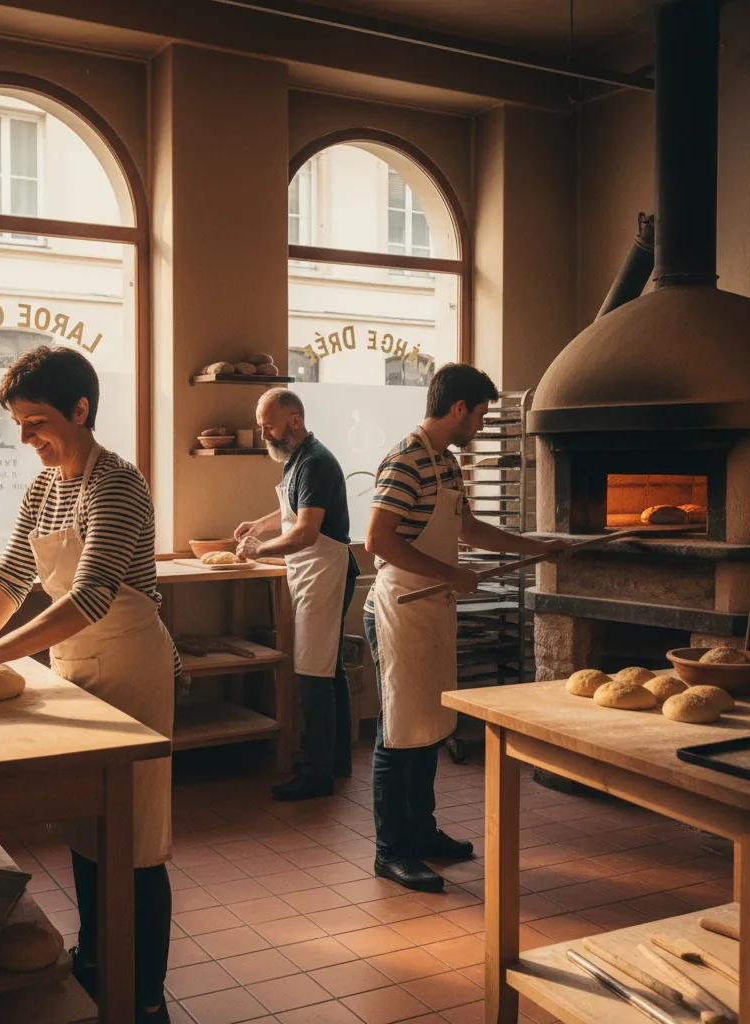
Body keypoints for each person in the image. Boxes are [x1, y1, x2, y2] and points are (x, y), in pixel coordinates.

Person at [0, 346, 176, 1023]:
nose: (25, 439)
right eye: (19, 424)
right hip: (76, 662)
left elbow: (92, 595)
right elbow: (11, 577)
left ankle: (144, 998)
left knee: (135, 840)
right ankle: (97, 960)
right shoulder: (44, 488)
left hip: (132, 669)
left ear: (80, 410)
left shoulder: (118, 483)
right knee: (88, 824)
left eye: (37, 422)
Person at [364, 363, 567, 893]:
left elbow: (468, 528)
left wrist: (536, 547)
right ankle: (391, 852)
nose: (480, 424)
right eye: (479, 414)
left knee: (429, 727)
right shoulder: (405, 461)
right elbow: (377, 540)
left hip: (433, 607)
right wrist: (449, 574)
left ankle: (422, 832)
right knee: (399, 733)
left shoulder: (448, 464)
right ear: (457, 409)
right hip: (399, 607)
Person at [235, 388, 360, 800]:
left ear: (294, 420)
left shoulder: (317, 462)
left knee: (312, 675)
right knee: (329, 670)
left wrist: (259, 549)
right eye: (260, 427)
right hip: (313, 573)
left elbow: (306, 532)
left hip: (324, 573)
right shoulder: (299, 459)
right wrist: (259, 525)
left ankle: (316, 774)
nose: (264, 435)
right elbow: (295, 510)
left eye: (268, 426)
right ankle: (337, 760)